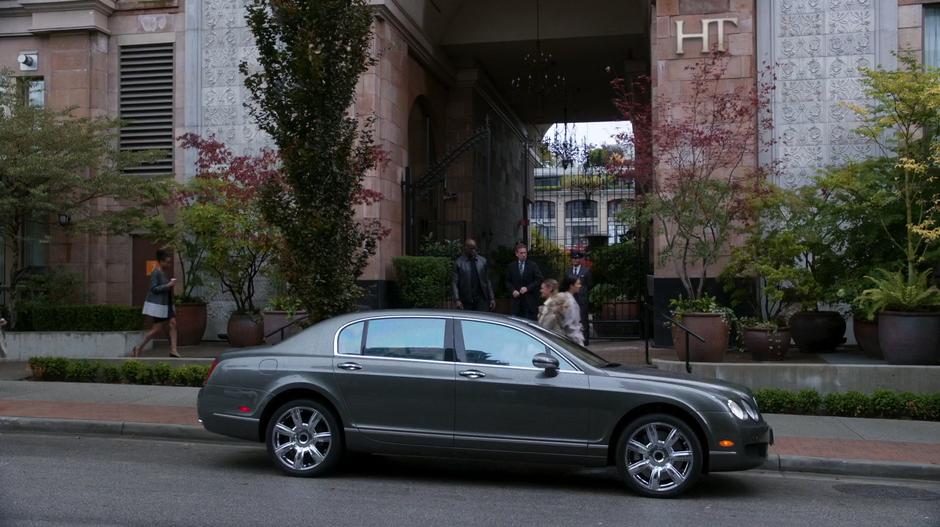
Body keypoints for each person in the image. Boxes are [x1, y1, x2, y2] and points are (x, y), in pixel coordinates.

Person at [133, 249, 181, 358]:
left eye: (170, 262)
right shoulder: (156, 272)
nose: (169, 264)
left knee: (173, 323)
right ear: (161, 261)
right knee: (157, 329)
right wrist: (168, 285)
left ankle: (173, 350)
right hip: (159, 305)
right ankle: (138, 347)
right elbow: (154, 289)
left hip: (167, 303)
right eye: (167, 262)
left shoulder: (164, 272)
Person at [452, 238, 495, 312]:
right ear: (466, 248)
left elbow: (487, 281)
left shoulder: (482, 261)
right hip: (466, 299)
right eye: (471, 248)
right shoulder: (459, 263)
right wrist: (457, 299)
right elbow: (454, 283)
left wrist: (492, 298)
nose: (474, 251)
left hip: (481, 299)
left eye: (475, 248)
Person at [538, 277, 584, 345]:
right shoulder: (565, 300)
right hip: (557, 341)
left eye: (542, 288)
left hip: (558, 340)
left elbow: (570, 325)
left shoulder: (565, 301)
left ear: (550, 288)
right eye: (578, 284)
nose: (580, 286)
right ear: (571, 286)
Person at [505, 242, 543, 320]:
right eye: (521, 253)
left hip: (529, 303)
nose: (523, 255)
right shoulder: (511, 266)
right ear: (516, 254)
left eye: (525, 253)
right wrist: (513, 291)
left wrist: (527, 288)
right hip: (516, 303)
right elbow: (507, 282)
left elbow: (539, 279)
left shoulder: (532, 265)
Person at [566, 251, 592, 345]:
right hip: (572, 300)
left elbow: (589, 285)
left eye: (576, 258)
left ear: (579, 259)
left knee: (583, 320)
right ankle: (573, 340)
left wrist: (583, 293)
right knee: (572, 319)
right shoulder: (568, 271)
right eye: (573, 258)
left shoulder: (586, 271)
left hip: (582, 299)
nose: (575, 260)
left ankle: (585, 340)